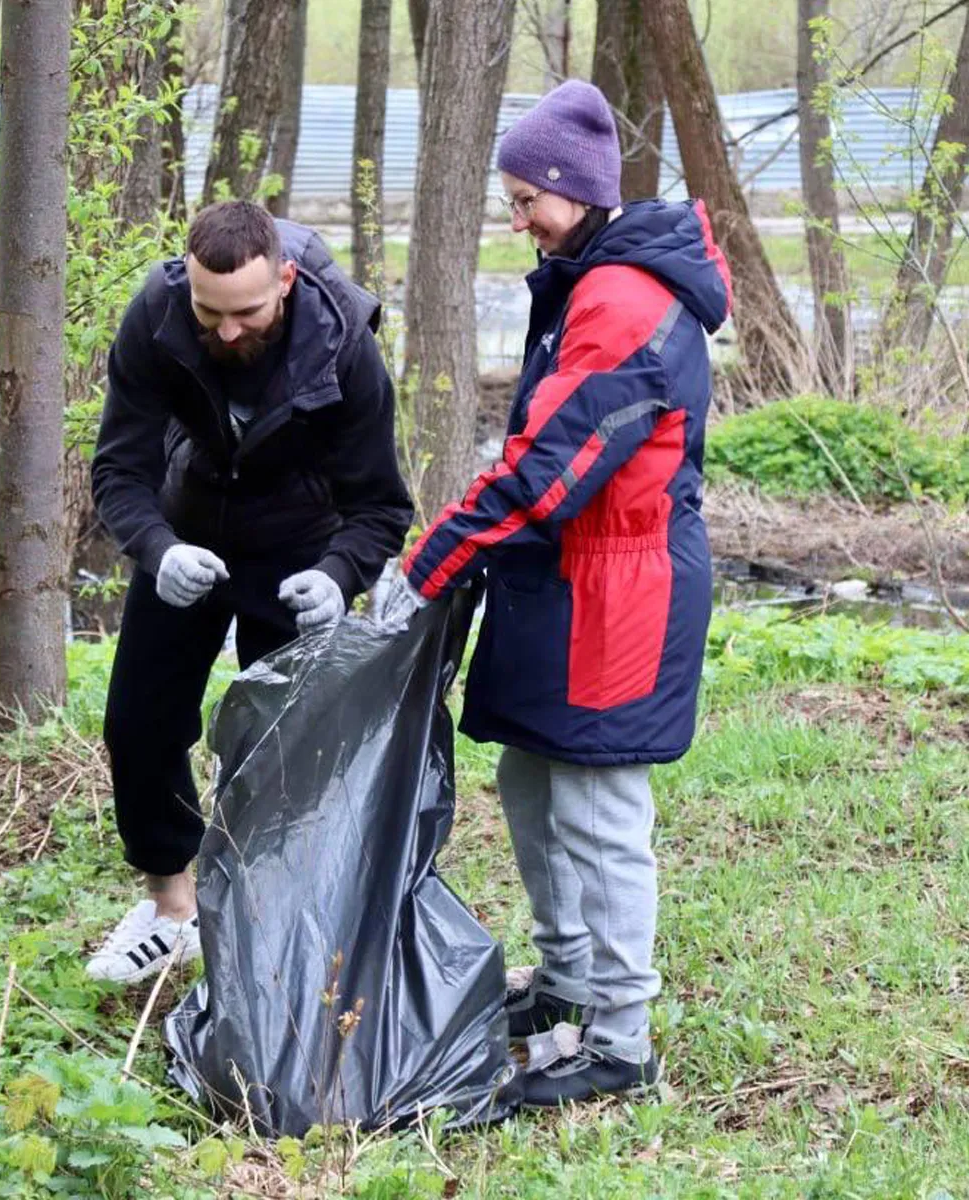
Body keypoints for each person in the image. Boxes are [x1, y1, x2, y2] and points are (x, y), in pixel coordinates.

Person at [391, 80, 732, 1104]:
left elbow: (547, 470)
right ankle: (567, 982)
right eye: (512, 200)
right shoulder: (587, 279)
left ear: (576, 190)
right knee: (532, 781)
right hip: (567, 578)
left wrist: (425, 569)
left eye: (527, 199)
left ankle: (620, 1042)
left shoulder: (622, 305)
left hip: (619, 589)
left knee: (598, 807)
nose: (518, 220)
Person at [85, 201, 414, 983]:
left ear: (286, 280)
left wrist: (338, 576)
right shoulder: (156, 317)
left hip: (298, 548)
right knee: (139, 722)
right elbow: (120, 468)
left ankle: (270, 924)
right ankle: (172, 911)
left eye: (248, 312)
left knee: (287, 747)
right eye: (211, 313)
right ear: (187, 284)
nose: (228, 331)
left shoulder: (345, 344)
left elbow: (381, 505)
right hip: (188, 530)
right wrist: (158, 549)